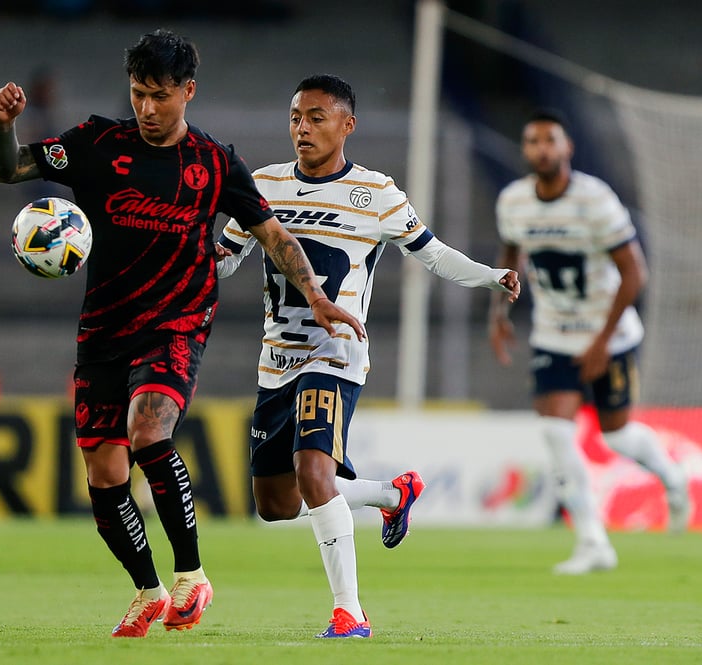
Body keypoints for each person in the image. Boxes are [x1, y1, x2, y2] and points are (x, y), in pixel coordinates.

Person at [0, 31, 365, 638]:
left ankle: (192, 575)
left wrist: (317, 295)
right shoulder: (95, 143)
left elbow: (272, 234)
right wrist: (5, 125)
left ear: (187, 91)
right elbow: (10, 169)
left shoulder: (215, 163)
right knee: (104, 474)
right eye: (138, 94)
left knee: (147, 430)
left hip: (177, 322)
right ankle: (147, 590)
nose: (147, 109)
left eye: (160, 96)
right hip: (104, 329)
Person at [215, 74, 520, 638]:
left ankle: (349, 612)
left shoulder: (376, 193)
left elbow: (433, 255)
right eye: (295, 117)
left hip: (336, 354)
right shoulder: (261, 186)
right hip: (275, 361)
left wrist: (490, 277)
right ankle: (390, 493)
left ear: (347, 125)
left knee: (313, 469)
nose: (301, 128)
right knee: (275, 503)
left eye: (315, 117)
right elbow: (225, 259)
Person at [488, 108, 690, 575]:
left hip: (611, 336)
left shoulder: (595, 199)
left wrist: (601, 341)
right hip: (554, 334)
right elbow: (510, 252)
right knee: (555, 433)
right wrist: (499, 311)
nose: (541, 148)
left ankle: (671, 477)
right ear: (525, 150)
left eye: (550, 140)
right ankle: (593, 542)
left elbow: (635, 271)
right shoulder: (513, 201)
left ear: (567, 148)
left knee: (616, 434)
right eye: (533, 141)